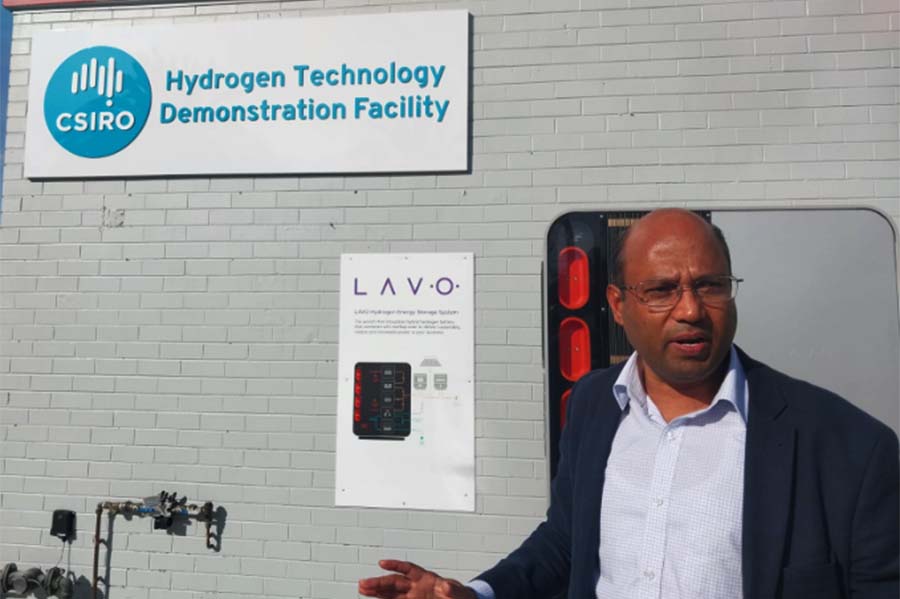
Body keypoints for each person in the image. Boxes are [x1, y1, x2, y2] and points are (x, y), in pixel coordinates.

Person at [358, 208, 899, 599]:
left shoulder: (849, 446)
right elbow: (566, 541)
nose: (691, 310)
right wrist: (477, 593)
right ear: (617, 305)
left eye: (710, 286)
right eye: (661, 290)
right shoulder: (594, 403)